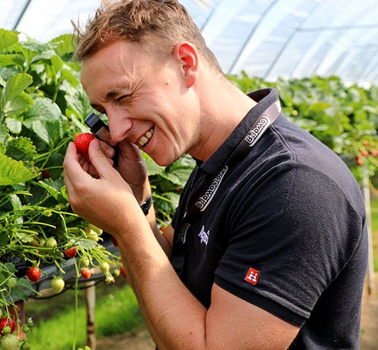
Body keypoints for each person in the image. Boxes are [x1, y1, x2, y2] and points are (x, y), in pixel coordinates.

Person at [62, 0, 368, 349]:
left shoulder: (295, 185)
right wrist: (138, 202)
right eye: (104, 110)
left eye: (123, 96)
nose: (115, 131)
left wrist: (127, 227)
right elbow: (174, 289)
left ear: (185, 64)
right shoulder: (225, 162)